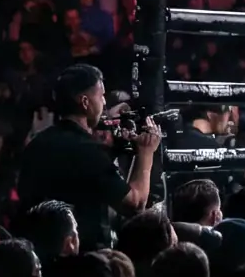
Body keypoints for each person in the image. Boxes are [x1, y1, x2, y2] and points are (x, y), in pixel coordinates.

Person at [11, 63, 159, 251]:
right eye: (102, 96)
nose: (105, 103)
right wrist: (146, 153)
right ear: (85, 102)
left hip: (38, 250)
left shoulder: (36, 144)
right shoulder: (88, 151)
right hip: (82, 258)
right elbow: (135, 205)